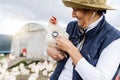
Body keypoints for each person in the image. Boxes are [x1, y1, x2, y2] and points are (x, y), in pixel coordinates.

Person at [47, 0, 120, 80]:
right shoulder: (72, 26)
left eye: (76, 9)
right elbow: (59, 50)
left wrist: (70, 49)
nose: (72, 15)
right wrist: (50, 50)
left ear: (93, 10)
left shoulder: (114, 39)